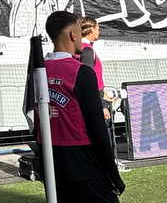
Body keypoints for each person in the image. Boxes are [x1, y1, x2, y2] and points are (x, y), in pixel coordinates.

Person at [40, 11, 125, 203]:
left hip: (52, 160)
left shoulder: (38, 71)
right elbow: (97, 130)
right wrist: (113, 175)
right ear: (73, 34)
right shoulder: (81, 72)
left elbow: (33, 119)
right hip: (83, 160)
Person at [79, 17, 129, 173]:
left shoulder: (82, 49)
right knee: (104, 132)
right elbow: (87, 79)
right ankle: (110, 163)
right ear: (91, 30)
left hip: (97, 96)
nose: (98, 31)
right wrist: (100, 103)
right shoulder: (87, 51)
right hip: (95, 100)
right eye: (97, 28)